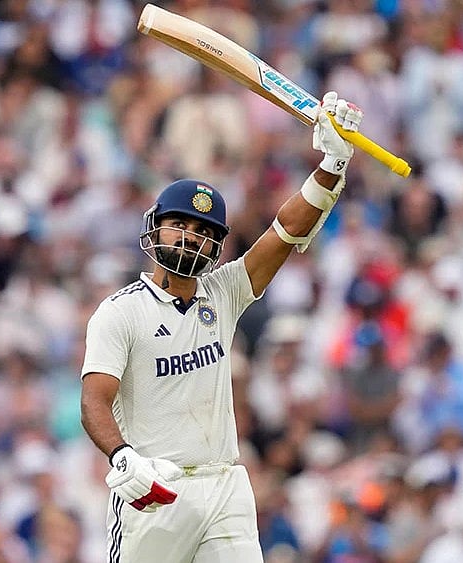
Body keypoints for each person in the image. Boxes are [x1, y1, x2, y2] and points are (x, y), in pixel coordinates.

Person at [78, 91, 364, 562]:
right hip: (155, 486)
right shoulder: (120, 311)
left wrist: (331, 165)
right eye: (180, 225)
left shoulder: (223, 291)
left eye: (205, 231)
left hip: (225, 483)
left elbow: (284, 233)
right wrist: (121, 455)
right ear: (156, 229)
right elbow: (94, 400)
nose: (192, 238)